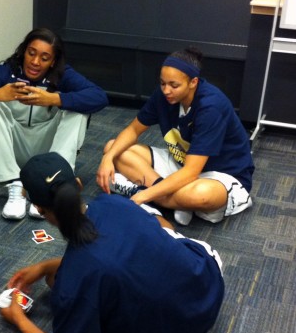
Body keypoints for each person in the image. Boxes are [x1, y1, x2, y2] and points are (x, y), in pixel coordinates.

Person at [0, 152, 225, 333]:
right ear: (78, 184)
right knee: (146, 232)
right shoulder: (112, 201)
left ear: (39, 209)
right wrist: (45, 267)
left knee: (69, 285)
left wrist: (18, 319)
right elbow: (107, 256)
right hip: (207, 287)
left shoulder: (74, 281)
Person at [0, 28, 108, 220]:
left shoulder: (63, 75)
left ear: (53, 61)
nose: (35, 62)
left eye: (44, 58)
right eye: (32, 53)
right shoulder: (5, 72)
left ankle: (54, 183)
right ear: (23, 51)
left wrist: (54, 99)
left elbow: (100, 97)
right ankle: (15, 185)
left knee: (77, 108)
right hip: (12, 148)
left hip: (48, 151)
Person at [97, 47, 254, 226]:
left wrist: (141, 197)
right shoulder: (164, 95)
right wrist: (107, 159)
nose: (166, 90)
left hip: (221, 175)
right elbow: (133, 130)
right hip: (181, 162)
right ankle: (174, 201)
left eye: (174, 85)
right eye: (162, 83)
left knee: (200, 195)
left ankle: (144, 191)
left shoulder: (211, 107)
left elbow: (191, 172)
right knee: (112, 147)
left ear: (193, 82)